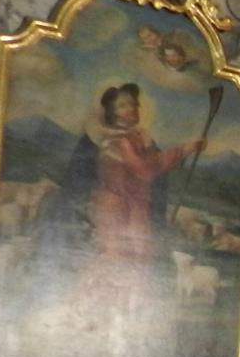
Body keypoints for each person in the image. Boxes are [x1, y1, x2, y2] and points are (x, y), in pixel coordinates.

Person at [77, 82, 206, 283]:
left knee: (140, 259)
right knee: (116, 259)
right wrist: (183, 150)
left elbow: (156, 166)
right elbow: (145, 169)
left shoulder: (139, 138)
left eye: (133, 104)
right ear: (112, 112)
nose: (131, 109)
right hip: (114, 208)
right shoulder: (117, 141)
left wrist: (184, 152)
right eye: (123, 105)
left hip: (136, 207)